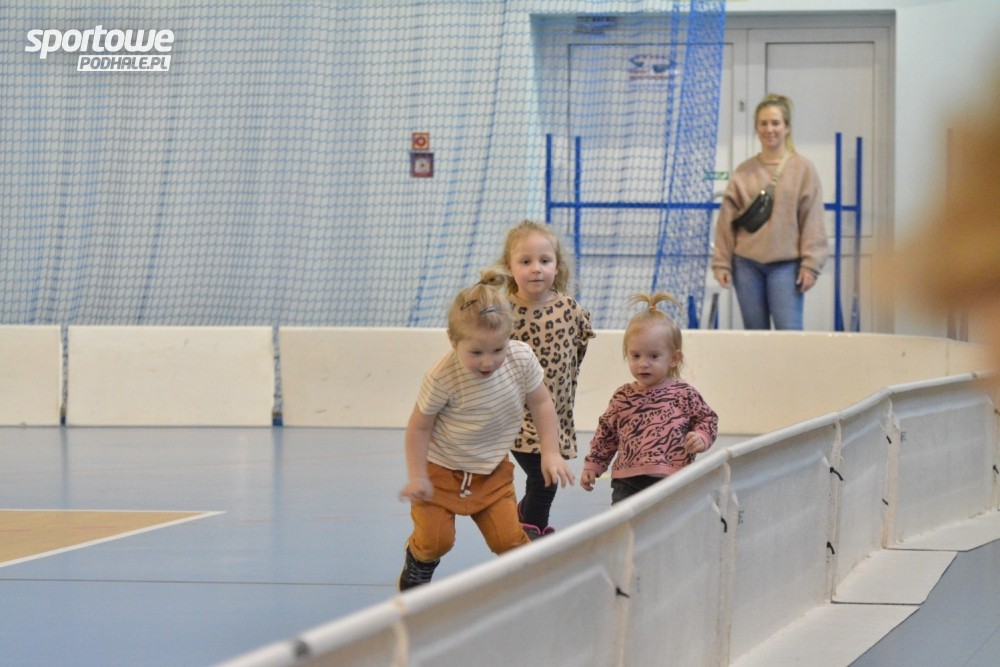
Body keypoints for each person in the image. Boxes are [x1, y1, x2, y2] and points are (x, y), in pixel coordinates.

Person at [397, 269, 576, 590]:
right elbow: (419, 428)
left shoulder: (521, 358)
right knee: (436, 542)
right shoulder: (442, 377)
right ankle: (417, 562)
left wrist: (550, 452)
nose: (488, 362)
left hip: (491, 472)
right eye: (476, 352)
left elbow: (541, 403)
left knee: (509, 543)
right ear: (453, 341)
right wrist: (417, 476)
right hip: (440, 472)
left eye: (497, 350)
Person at [498, 219, 594, 539]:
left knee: (543, 478)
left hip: (556, 414)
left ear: (557, 265)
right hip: (518, 416)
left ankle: (524, 517)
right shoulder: (504, 314)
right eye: (525, 261)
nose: (536, 268)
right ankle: (531, 536)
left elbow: (579, 347)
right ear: (509, 267)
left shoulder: (569, 308)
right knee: (543, 478)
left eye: (544, 260)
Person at [580, 292, 718, 504]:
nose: (643, 364)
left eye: (653, 356)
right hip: (627, 482)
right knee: (626, 523)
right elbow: (606, 433)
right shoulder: (622, 396)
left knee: (668, 522)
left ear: (674, 358)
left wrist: (701, 436)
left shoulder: (684, 393)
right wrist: (594, 464)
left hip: (673, 479)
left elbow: (708, 419)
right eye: (635, 356)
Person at [712, 93, 828, 330]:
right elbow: (726, 222)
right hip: (746, 265)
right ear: (756, 128)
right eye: (763, 123)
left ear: (787, 127)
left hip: (787, 266)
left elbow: (812, 220)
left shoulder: (802, 169)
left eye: (775, 123)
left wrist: (811, 264)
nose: (769, 129)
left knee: (789, 334)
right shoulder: (744, 171)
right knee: (755, 336)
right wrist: (722, 263)